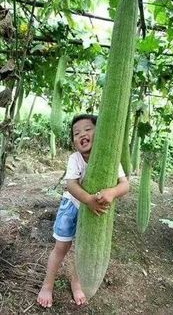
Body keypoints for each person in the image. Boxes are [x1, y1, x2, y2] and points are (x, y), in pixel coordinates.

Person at [37, 114, 129, 308]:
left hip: (92, 212)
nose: (82, 134)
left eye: (88, 129)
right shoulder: (75, 159)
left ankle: (76, 283)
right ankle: (47, 285)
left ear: (101, 133)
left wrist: (112, 192)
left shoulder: (111, 159)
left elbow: (125, 185)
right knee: (61, 249)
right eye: (76, 133)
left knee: (83, 250)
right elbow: (71, 185)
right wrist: (88, 200)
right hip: (71, 207)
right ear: (74, 142)